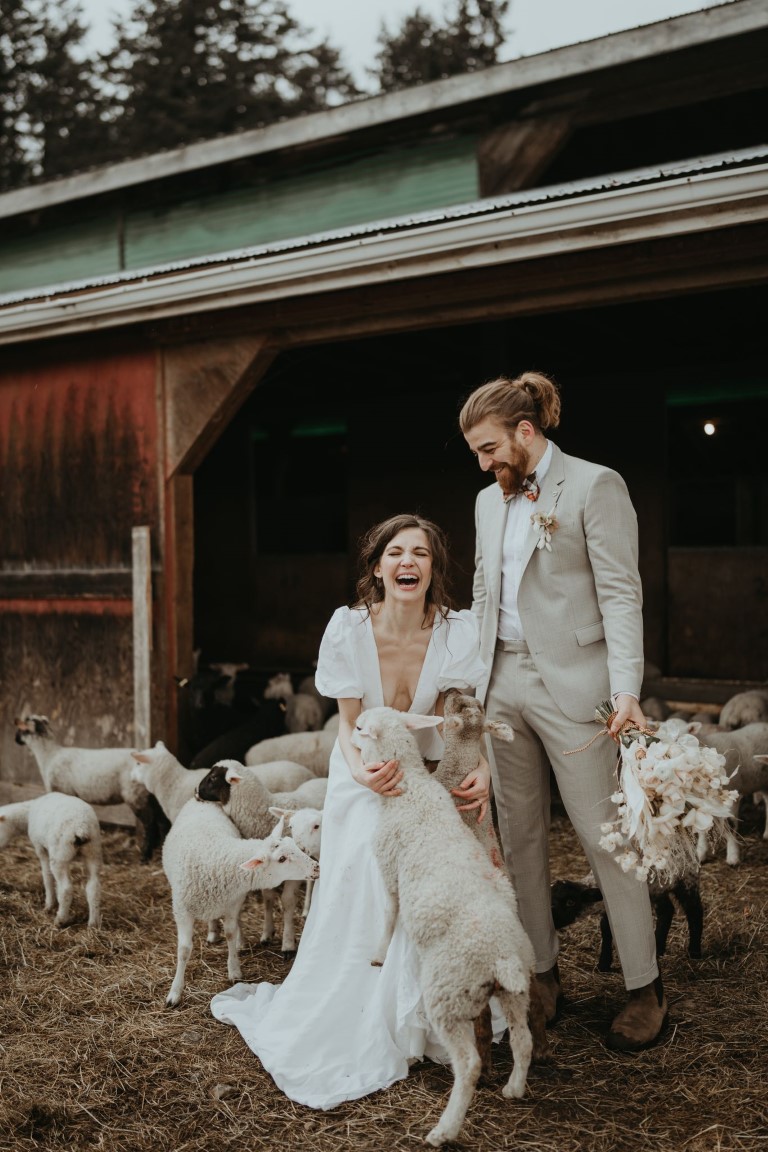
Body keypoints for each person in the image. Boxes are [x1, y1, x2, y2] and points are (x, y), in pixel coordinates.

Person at [210, 513, 496, 1107]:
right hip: (362, 768)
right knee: (373, 855)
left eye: (421, 553)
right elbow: (345, 726)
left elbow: (460, 720)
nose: (408, 562)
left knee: (439, 864)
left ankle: (431, 1011)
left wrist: (480, 765)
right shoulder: (347, 629)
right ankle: (369, 1010)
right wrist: (364, 772)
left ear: (434, 569)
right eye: (396, 553)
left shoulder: (455, 632)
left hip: (428, 771)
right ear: (377, 567)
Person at [459, 370, 668, 1052]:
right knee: (518, 837)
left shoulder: (595, 485)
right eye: (476, 453)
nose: (483, 464)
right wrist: (471, 682)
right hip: (501, 684)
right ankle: (541, 974)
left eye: (490, 448)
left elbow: (621, 593)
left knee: (604, 836)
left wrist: (626, 688)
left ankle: (644, 986)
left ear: (526, 431)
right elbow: (484, 593)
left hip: (577, 686)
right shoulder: (486, 502)